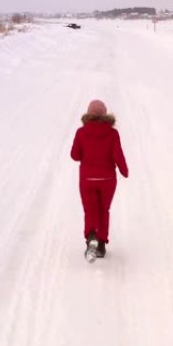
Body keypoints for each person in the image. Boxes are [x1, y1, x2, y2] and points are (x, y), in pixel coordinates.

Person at [70, 99, 128, 259]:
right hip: (108, 180)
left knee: (90, 210)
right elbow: (118, 155)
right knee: (104, 210)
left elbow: (74, 155)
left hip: (87, 180)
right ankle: (101, 246)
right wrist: (124, 170)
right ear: (105, 114)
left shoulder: (81, 132)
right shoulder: (113, 133)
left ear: (88, 114)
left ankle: (91, 237)